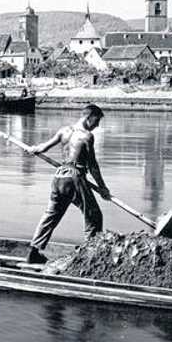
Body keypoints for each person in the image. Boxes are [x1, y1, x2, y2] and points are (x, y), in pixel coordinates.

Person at [26, 104, 111, 264]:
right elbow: (92, 165)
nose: (97, 125)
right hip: (74, 177)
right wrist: (102, 187)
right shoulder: (86, 136)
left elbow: (42, 148)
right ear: (89, 117)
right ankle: (90, 256)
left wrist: (33, 149)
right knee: (94, 215)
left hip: (59, 177)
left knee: (51, 215)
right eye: (97, 120)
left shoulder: (63, 131)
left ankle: (34, 251)